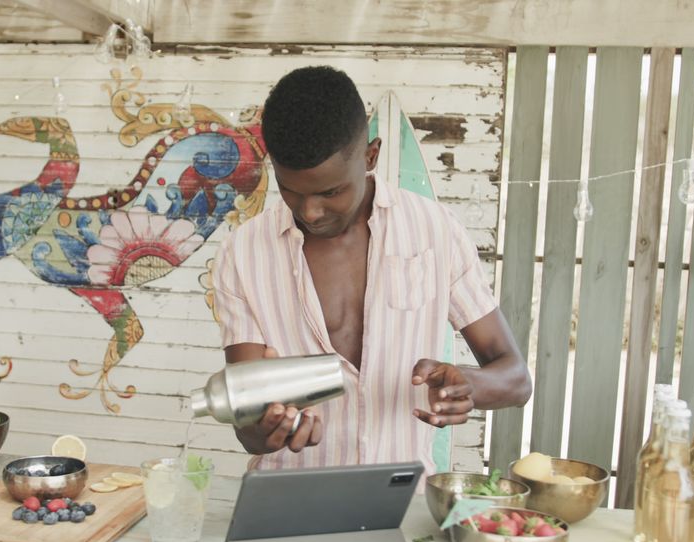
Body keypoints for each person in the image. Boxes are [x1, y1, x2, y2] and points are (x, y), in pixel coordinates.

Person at [212, 66, 531, 478]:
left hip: (402, 506)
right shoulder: (243, 253)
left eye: (330, 192)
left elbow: (516, 377)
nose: (310, 212)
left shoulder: (434, 231)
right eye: (291, 190)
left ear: (370, 156)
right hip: (286, 505)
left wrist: (470, 385)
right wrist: (268, 429)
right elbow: (247, 423)